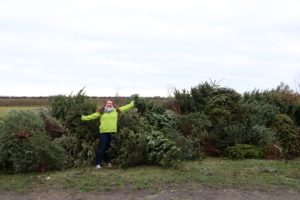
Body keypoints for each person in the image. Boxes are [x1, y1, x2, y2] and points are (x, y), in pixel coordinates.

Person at [81, 100, 134, 169]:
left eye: (111, 103)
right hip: (103, 132)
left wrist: (131, 104)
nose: (109, 104)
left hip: (112, 132)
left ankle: (108, 162)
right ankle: (98, 163)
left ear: (112, 105)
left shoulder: (116, 111)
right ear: (106, 104)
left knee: (109, 148)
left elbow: (125, 108)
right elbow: (93, 116)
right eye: (108, 103)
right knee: (102, 148)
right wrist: (84, 117)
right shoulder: (102, 112)